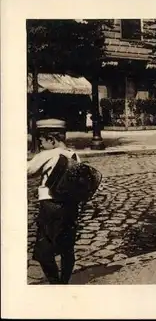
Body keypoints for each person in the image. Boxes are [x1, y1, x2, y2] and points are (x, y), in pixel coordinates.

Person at [27, 119, 81, 284]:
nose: (41, 144)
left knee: (44, 251)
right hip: (70, 206)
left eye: (42, 141)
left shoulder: (47, 154)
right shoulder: (74, 155)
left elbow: (28, 170)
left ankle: (55, 283)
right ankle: (64, 281)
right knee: (67, 247)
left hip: (50, 205)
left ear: (52, 140)